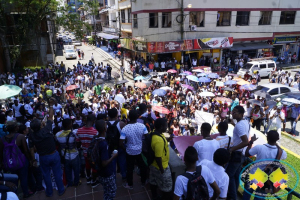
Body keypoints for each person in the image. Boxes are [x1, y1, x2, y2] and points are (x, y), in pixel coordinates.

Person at [29, 97, 66, 197]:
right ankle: (61, 190)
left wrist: (33, 160)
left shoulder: (31, 135)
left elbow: (31, 148)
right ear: (40, 125)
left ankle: (49, 192)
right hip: (53, 155)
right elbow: (50, 117)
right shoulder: (47, 129)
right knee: (57, 173)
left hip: (43, 157)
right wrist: (50, 105)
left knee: (46, 176)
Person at [243, 130, 287, 199]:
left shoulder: (259, 147)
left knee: (246, 195)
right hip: (266, 180)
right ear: (277, 139)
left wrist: (251, 141)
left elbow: (246, 153)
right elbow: (284, 156)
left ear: (267, 138)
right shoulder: (281, 152)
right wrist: (277, 144)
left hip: (253, 176)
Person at [0, 121, 33, 198]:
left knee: (14, 179)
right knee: (23, 177)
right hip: (21, 162)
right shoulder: (20, 136)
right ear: (16, 128)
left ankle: (14, 193)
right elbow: (25, 151)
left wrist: (2, 163)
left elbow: (0, 153)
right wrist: (30, 160)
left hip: (9, 163)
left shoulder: (2, 139)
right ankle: (26, 193)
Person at [226, 105, 250, 200]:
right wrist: (234, 124)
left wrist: (232, 149)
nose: (232, 113)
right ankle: (234, 194)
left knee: (229, 175)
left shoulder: (240, 125)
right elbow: (240, 131)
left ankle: (232, 197)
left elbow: (245, 142)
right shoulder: (245, 122)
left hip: (237, 154)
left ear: (241, 114)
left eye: (235, 112)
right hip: (241, 154)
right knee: (235, 176)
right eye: (232, 111)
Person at [120, 110, 148, 189]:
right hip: (139, 150)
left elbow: (120, 143)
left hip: (129, 151)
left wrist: (126, 148)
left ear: (128, 117)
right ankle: (143, 181)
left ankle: (130, 184)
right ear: (137, 117)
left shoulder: (125, 128)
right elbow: (147, 136)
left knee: (129, 168)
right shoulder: (142, 126)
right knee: (142, 166)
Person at [149, 118, 173, 200]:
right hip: (161, 166)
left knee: (153, 181)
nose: (167, 127)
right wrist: (162, 170)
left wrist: (168, 139)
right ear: (162, 126)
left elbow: (161, 140)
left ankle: (154, 196)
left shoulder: (154, 133)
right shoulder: (159, 140)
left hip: (152, 165)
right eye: (166, 126)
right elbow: (158, 157)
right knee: (168, 187)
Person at [94, 120, 118, 200]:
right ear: (105, 128)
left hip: (100, 172)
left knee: (106, 190)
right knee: (112, 191)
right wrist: (113, 156)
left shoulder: (96, 139)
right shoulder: (103, 143)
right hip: (106, 173)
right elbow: (104, 163)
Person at [56, 119, 81, 187]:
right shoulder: (75, 134)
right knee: (76, 171)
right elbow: (78, 145)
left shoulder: (58, 135)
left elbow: (58, 144)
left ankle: (70, 184)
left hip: (65, 156)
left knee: (68, 172)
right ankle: (76, 183)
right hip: (74, 155)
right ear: (70, 125)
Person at [76, 114, 98, 186]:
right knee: (94, 168)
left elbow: (78, 143)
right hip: (93, 154)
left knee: (87, 166)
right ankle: (93, 181)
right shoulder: (95, 132)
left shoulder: (79, 131)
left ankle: (88, 178)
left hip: (85, 153)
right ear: (93, 121)